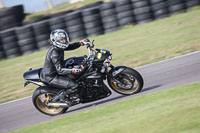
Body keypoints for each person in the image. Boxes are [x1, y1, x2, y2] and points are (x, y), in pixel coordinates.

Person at [40, 29, 88, 101]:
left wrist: (80, 43)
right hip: (52, 77)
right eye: (62, 40)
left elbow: (70, 46)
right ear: (56, 41)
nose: (64, 41)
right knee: (74, 85)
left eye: (65, 39)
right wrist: (73, 70)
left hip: (57, 70)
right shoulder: (54, 53)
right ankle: (63, 96)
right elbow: (60, 70)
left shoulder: (59, 47)